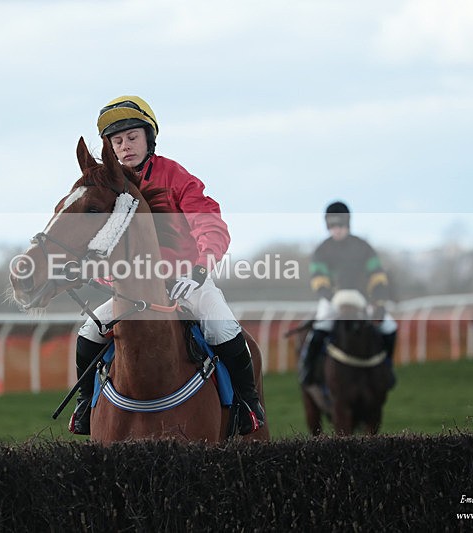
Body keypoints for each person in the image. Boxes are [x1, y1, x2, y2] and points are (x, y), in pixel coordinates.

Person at [68, 95, 266, 436]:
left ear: (149, 137)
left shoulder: (174, 175)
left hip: (187, 282)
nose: (125, 146)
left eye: (132, 137)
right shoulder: (106, 191)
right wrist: (102, 277)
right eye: (117, 141)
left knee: (223, 330)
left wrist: (201, 269)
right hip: (134, 289)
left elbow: (209, 223)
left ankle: (249, 406)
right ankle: (85, 405)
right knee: (89, 331)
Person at [300, 201, 398, 387]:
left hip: (363, 301)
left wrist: (378, 302)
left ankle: (387, 368)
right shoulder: (322, 250)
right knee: (319, 330)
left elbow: (377, 275)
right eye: (332, 226)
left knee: (390, 328)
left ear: (347, 224)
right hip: (332, 301)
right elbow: (319, 279)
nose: (336, 230)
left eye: (340, 225)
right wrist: (332, 298)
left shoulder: (363, 247)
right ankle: (308, 371)